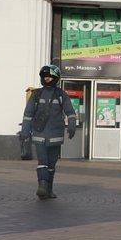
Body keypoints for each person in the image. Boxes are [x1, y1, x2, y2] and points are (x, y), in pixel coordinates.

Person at [20, 64, 76, 199]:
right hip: (41, 135)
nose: (47, 79)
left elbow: (70, 112)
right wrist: (25, 131)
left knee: (51, 164)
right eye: (45, 77)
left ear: (56, 78)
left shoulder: (61, 95)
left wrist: (72, 125)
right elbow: (28, 114)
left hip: (54, 136)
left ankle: (48, 190)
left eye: (50, 77)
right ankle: (43, 187)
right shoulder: (36, 94)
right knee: (43, 161)